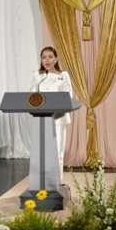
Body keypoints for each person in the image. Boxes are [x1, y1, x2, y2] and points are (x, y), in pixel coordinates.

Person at [30, 47, 74, 180]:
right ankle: (42, 181)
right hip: (41, 119)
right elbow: (31, 96)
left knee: (57, 151)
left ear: (56, 59)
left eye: (50, 57)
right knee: (42, 153)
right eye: (44, 57)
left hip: (58, 119)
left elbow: (69, 95)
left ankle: (56, 182)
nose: (47, 60)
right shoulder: (37, 76)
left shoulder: (63, 75)